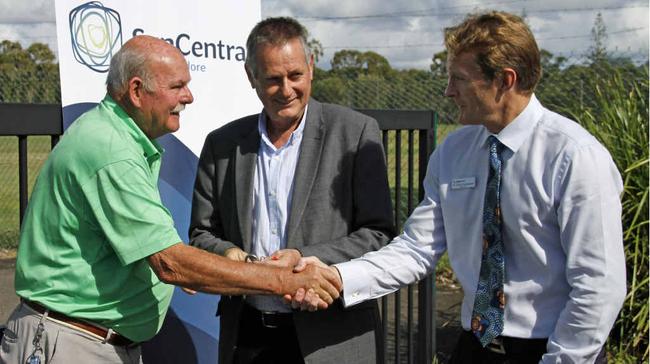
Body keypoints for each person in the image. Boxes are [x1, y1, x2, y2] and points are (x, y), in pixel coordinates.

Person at [292, 11, 626, 364]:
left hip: (554, 348)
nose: (448, 91)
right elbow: (415, 250)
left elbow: (598, 285)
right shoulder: (453, 153)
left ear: (504, 80)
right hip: (475, 347)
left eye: (459, 79)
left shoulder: (575, 157)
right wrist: (337, 276)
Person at [0, 35, 341, 364]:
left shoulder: (119, 139)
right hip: (74, 345)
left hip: (86, 340)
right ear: (136, 90)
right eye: (177, 86)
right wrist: (289, 281)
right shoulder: (110, 151)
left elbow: (142, 252)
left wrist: (232, 267)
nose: (189, 96)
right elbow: (171, 263)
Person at [189, 17, 394, 364]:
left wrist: (302, 257)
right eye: (272, 79)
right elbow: (201, 234)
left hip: (332, 337)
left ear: (311, 68)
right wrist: (242, 261)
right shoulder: (222, 144)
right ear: (250, 77)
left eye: (295, 75)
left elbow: (379, 234)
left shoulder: (355, 133)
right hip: (248, 334)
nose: (286, 89)